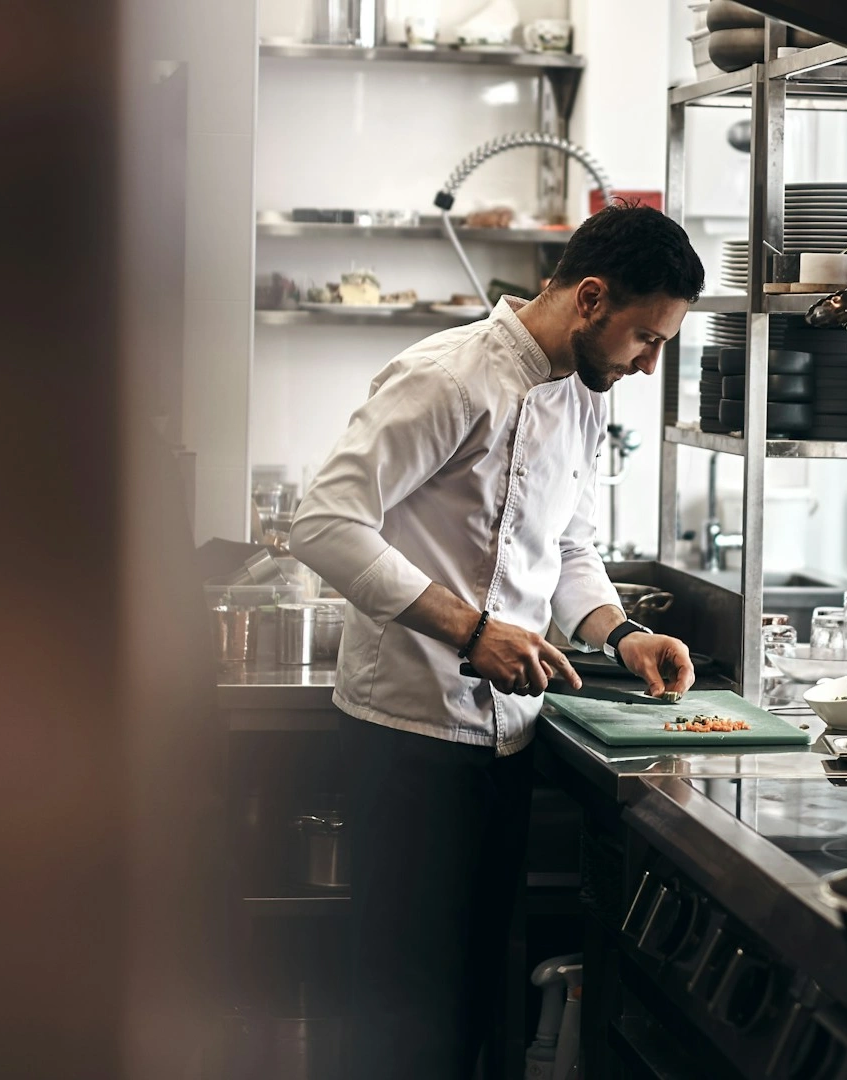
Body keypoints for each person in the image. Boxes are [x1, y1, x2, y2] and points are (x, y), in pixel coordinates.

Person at [289, 203, 705, 1079]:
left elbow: (566, 545)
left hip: (507, 741)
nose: (648, 363)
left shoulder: (584, 396)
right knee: (400, 1016)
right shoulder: (445, 377)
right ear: (589, 298)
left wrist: (620, 632)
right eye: (645, 337)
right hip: (405, 737)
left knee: (472, 1007)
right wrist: (469, 631)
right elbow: (323, 522)